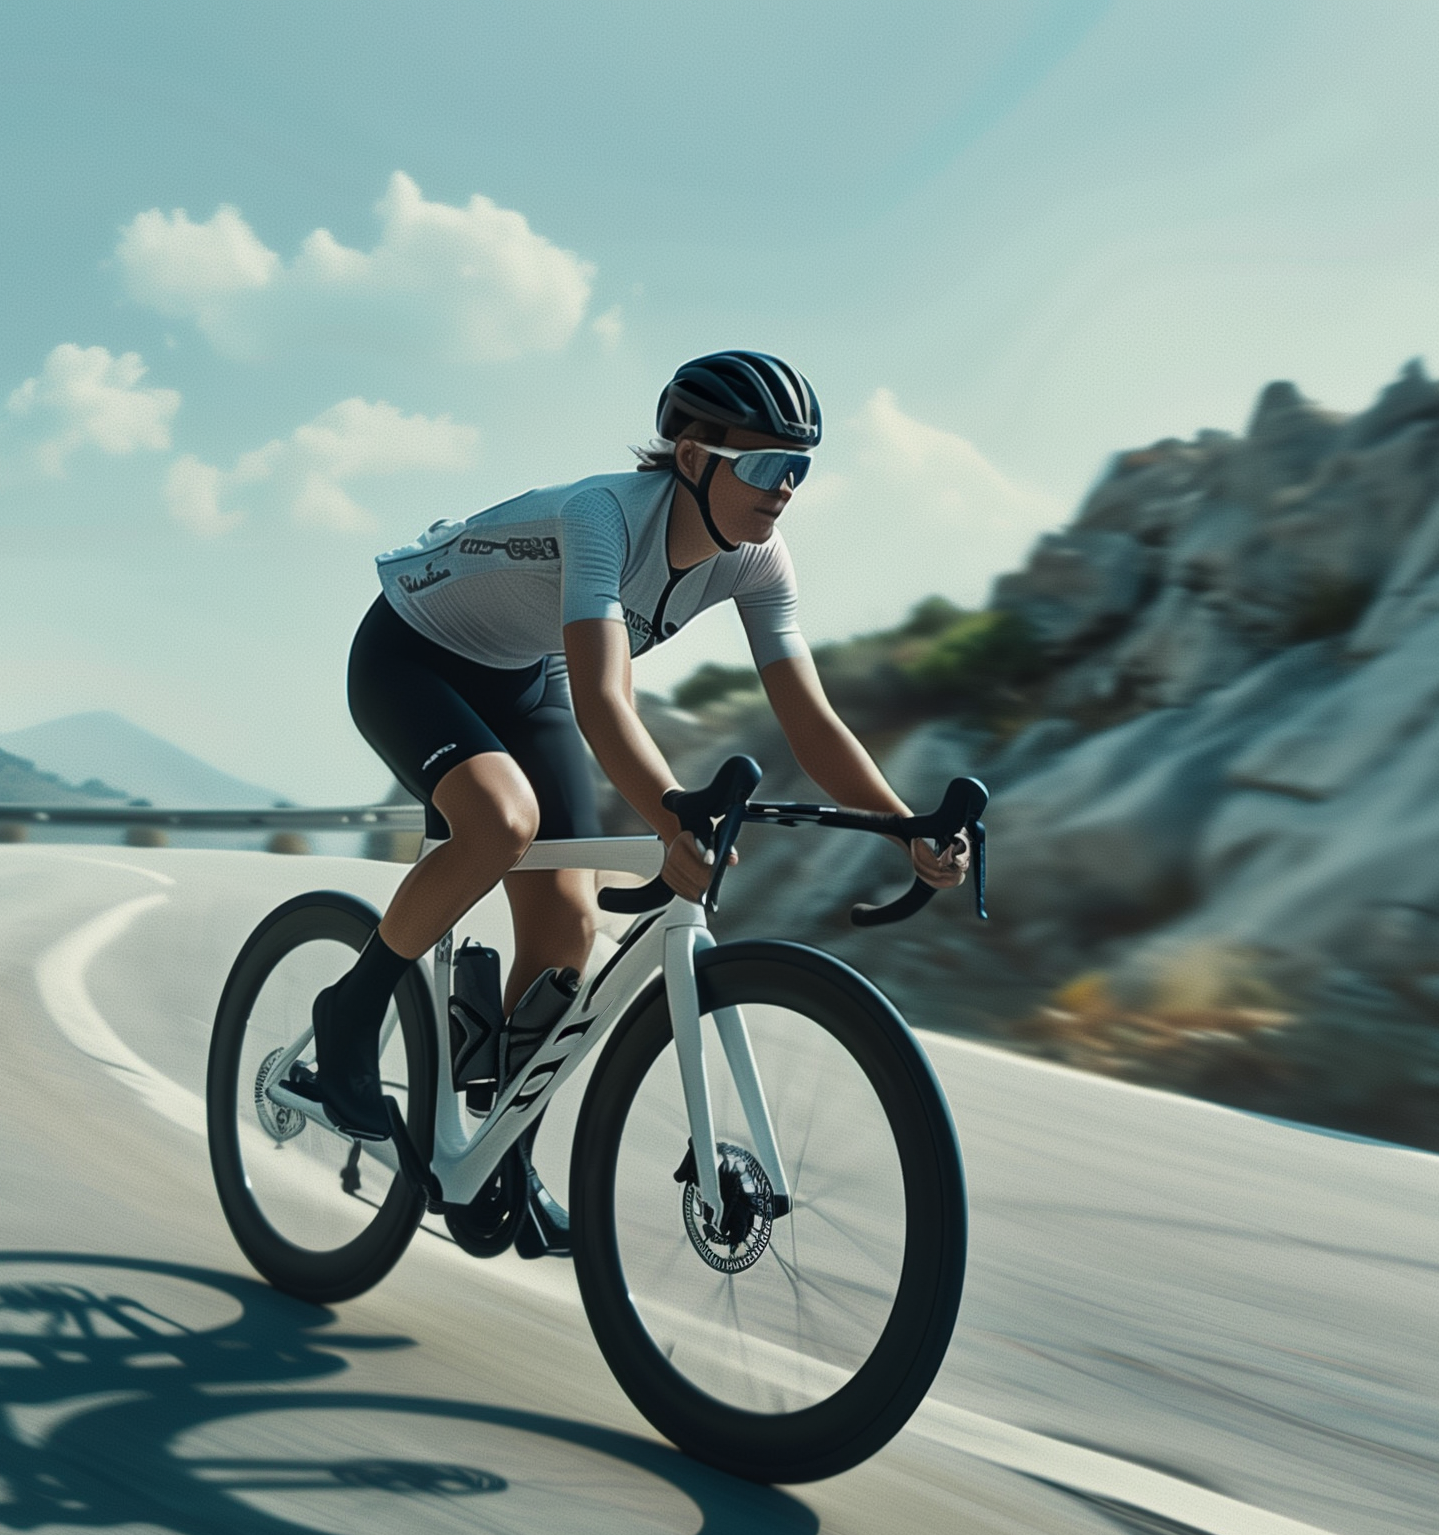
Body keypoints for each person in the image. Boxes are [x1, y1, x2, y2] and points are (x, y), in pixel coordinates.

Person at [306, 350, 969, 1139]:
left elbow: (811, 721)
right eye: (765, 463)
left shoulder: (759, 560)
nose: (785, 487)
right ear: (692, 458)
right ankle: (354, 1007)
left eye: (799, 467)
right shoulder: (604, 516)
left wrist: (904, 825)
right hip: (412, 654)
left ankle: (499, 1162)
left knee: (567, 933)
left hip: (525, 674)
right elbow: (603, 700)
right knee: (501, 822)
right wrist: (671, 819)